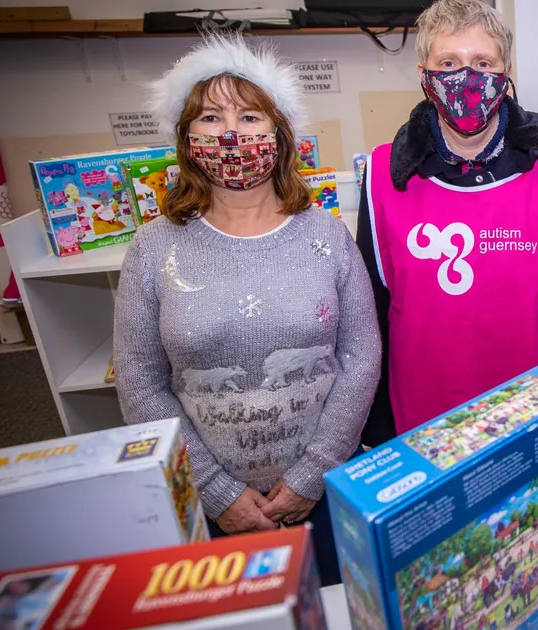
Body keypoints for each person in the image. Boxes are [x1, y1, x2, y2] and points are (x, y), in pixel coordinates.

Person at [113, 33, 380, 586]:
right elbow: (141, 382)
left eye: (251, 117)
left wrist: (312, 475)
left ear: (280, 135)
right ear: (186, 140)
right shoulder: (152, 248)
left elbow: (361, 358)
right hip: (213, 509)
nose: (231, 134)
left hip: (329, 492)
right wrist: (217, 492)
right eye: (210, 117)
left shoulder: (327, 237)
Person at [356, 0, 538, 446]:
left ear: (506, 72)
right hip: (423, 421)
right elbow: (371, 315)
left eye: (482, 63)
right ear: (424, 75)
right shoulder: (382, 175)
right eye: (448, 63)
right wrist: (377, 430)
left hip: (536, 414)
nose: (466, 78)